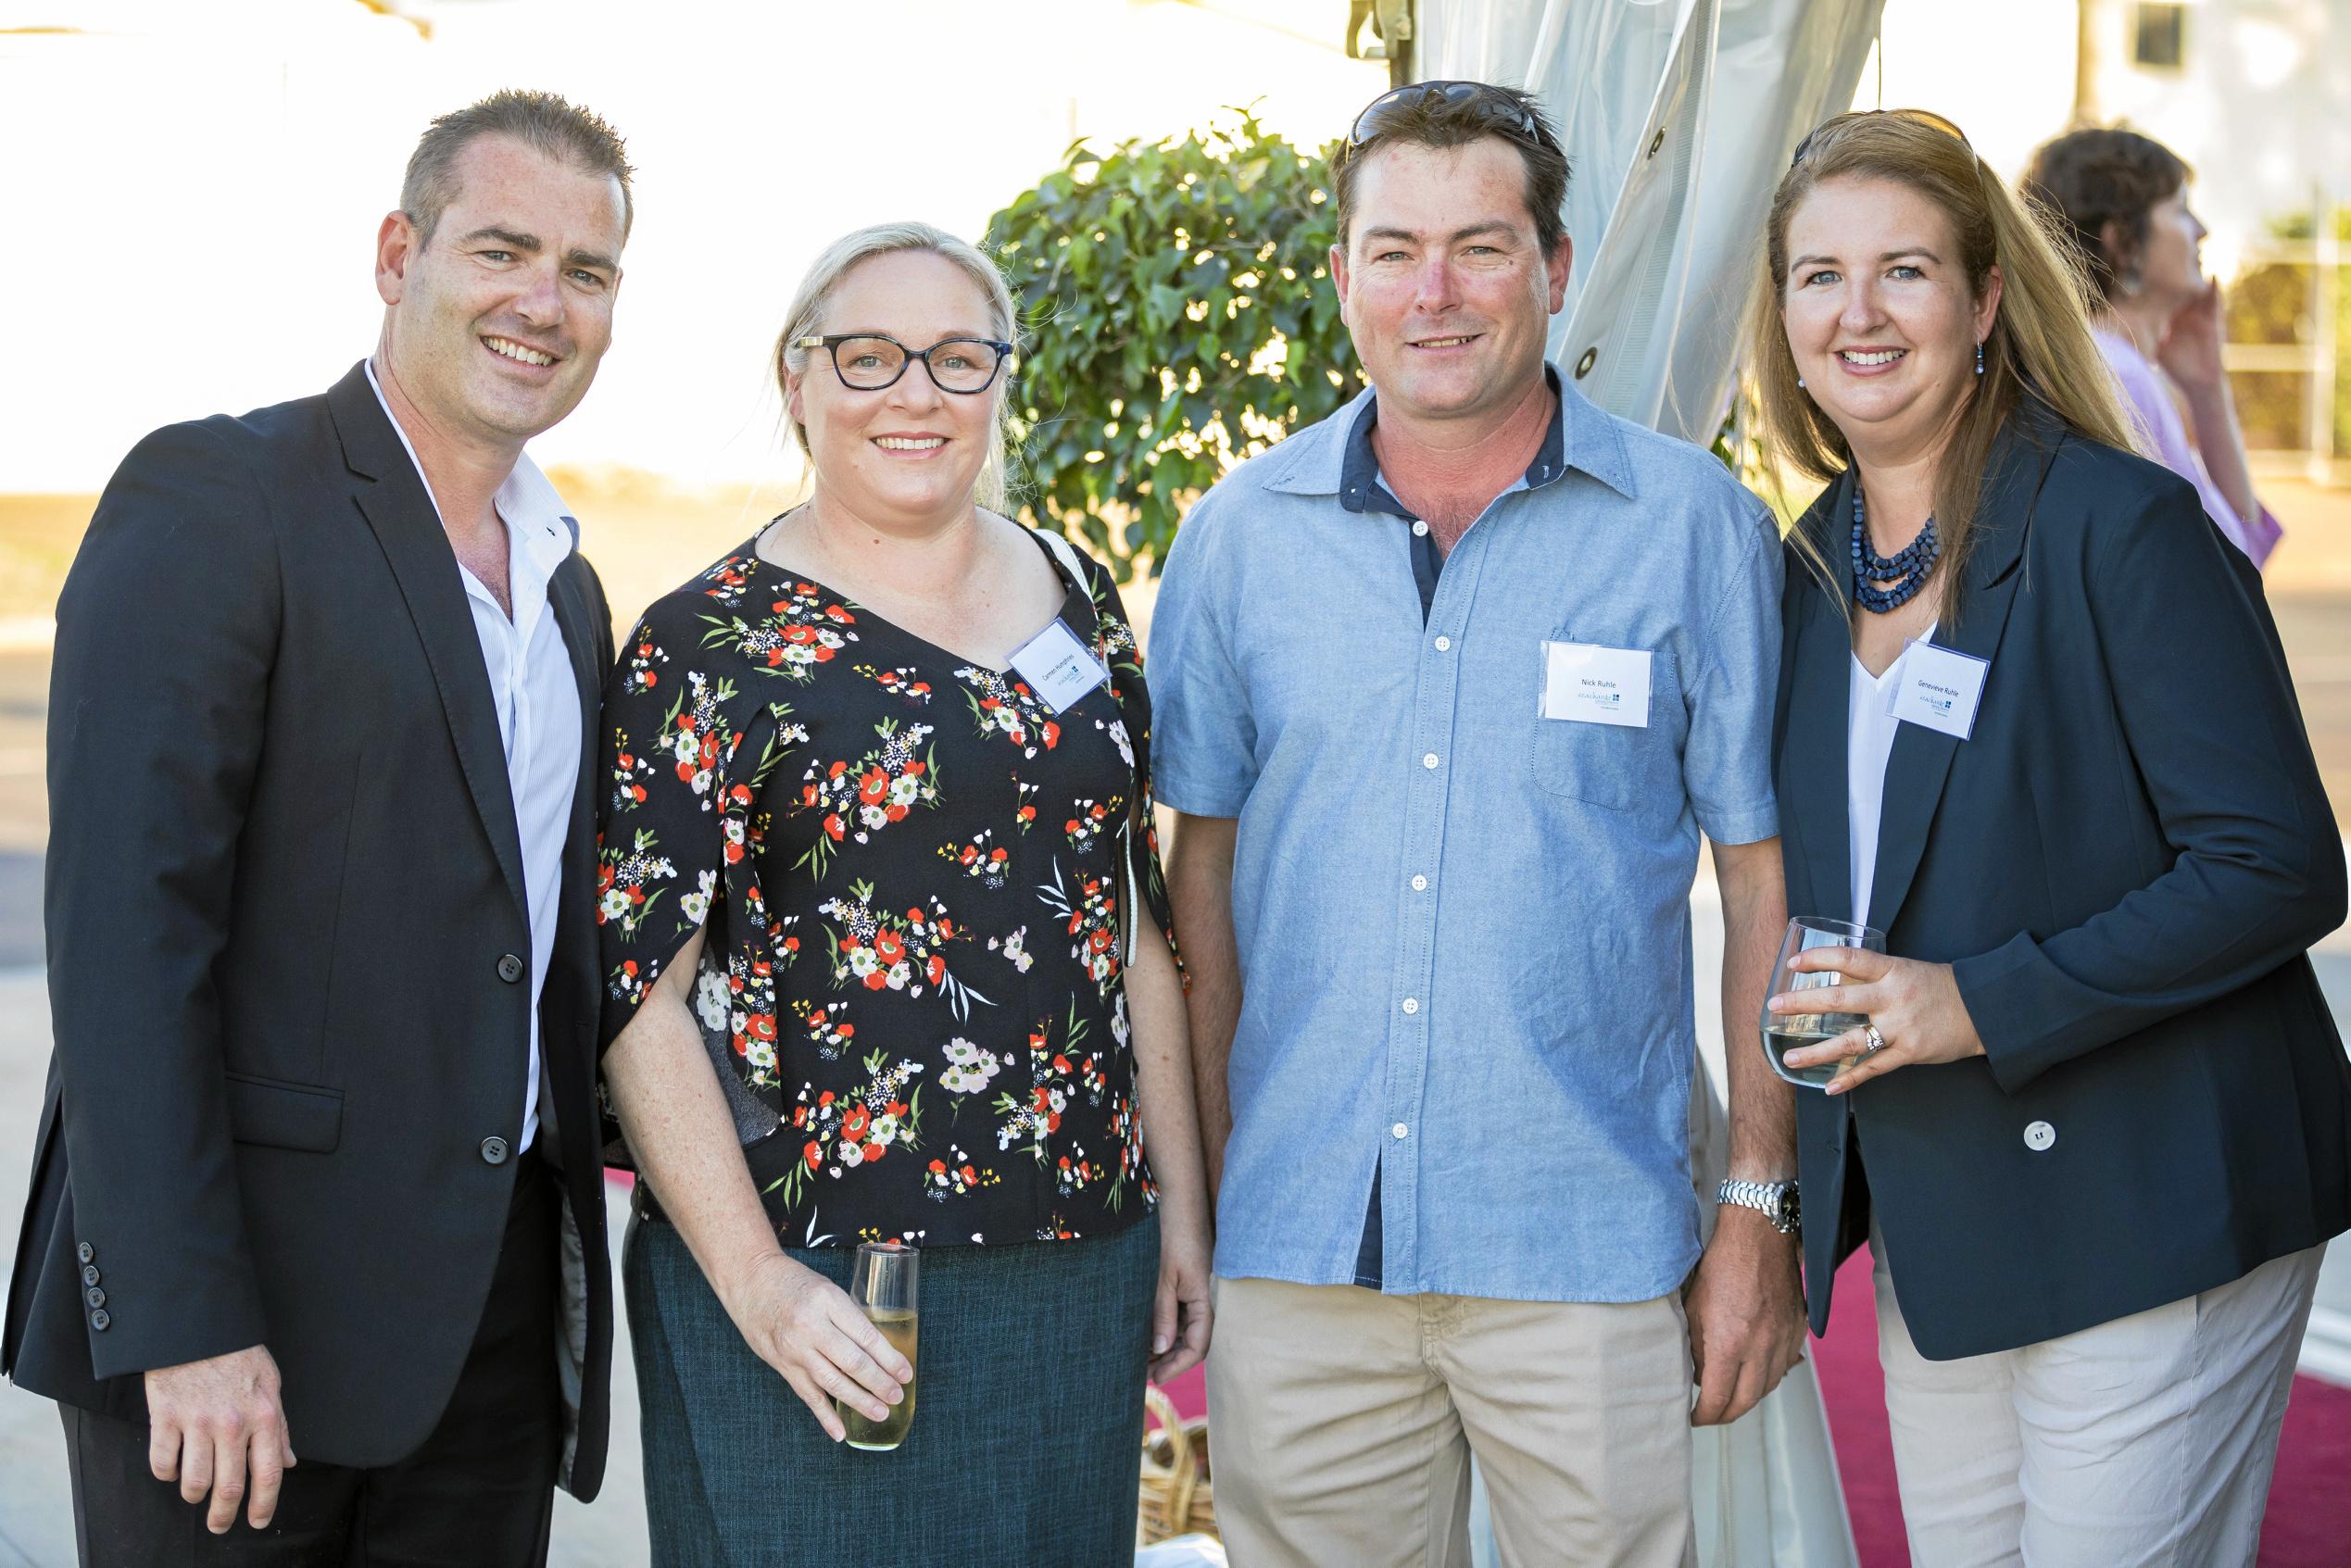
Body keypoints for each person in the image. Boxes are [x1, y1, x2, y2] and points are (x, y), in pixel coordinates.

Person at [1152, 80, 1804, 1568]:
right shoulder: (1237, 540)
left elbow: (1762, 889)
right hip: (1301, 1238)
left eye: (1480, 247)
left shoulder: (1692, 530)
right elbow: (1200, 890)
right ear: (1342, 275)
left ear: (1556, 268)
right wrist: (1203, 1192)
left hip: (1582, 1244)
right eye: (1392, 250)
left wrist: (1757, 1200)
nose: (1432, 292)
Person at [2, 91, 631, 1560]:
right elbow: (123, 943)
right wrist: (187, 1321)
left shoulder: (570, 589)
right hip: (236, 1340)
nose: (544, 302)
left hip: (487, 1341)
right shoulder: (223, 495)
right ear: (398, 252)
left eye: (587, 271)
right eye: (502, 248)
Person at [1749, 108, 2349, 1565]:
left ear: (1986, 299)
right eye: (1818, 276)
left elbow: (2278, 863)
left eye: (1903, 269)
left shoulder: (2116, 526)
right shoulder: (1806, 563)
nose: (1859, 312)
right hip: (1944, 1210)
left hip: (2148, 1191)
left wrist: (1974, 1001)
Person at [596, 220, 1212, 1566]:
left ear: (1002, 379)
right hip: (819, 1279)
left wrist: (1179, 1210)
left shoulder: (1079, 596)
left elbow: (1133, 924)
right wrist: (757, 1285)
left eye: (957, 357)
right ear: (796, 379)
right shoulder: (706, 644)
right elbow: (631, 992)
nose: (916, 394)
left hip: (1075, 1259)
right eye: (868, 357)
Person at [2023, 126, 2282, 567]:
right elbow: (2234, 568)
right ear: (2123, 242)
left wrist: (2205, 385)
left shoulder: (2085, 357)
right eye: (2181, 210)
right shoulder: (2120, 375)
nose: (2202, 230)